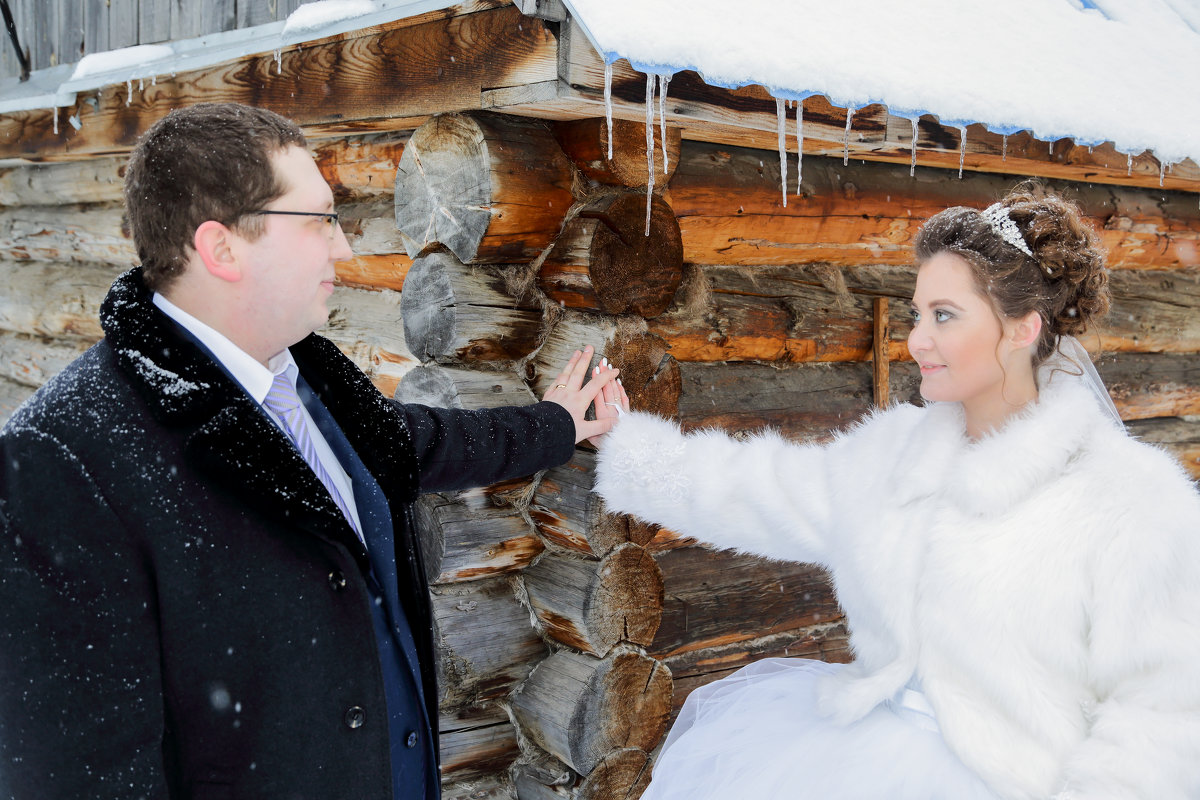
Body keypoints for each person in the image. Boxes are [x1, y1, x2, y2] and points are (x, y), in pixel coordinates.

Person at [0, 102, 618, 800]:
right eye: (320, 220)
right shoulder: (63, 460)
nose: (344, 248)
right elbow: (82, 778)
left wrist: (559, 424)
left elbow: (423, 444)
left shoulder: (310, 379)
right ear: (222, 247)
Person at [590, 183, 1200, 800]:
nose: (917, 341)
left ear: (1022, 328)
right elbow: (754, 490)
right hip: (853, 765)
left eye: (946, 315)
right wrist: (628, 443)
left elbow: (1164, 712)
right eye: (918, 313)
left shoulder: (1129, 500)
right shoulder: (892, 455)